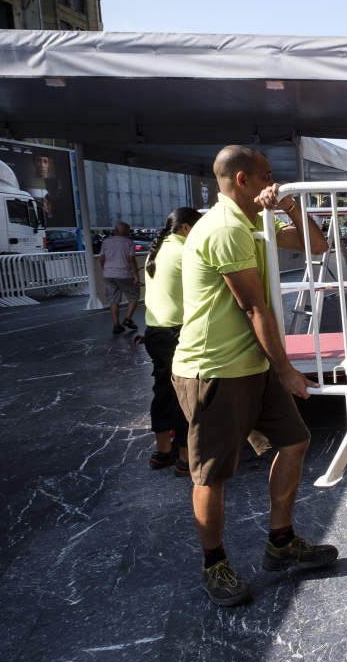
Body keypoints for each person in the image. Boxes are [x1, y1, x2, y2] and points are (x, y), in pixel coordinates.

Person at [171, 145, 334, 607]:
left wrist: (288, 207)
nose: (273, 181)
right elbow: (253, 305)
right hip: (214, 367)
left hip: (251, 363)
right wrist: (285, 370)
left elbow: (317, 246)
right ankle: (215, 564)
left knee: (295, 440)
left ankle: (280, 543)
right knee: (212, 474)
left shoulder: (253, 224)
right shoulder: (224, 229)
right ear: (242, 179)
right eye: (267, 175)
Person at [141, 207, 201, 474]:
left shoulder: (157, 251)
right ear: (186, 228)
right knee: (185, 394)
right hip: (176, 333)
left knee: (163, 391)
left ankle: (162, 451)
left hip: (154, 331)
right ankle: (186, 458)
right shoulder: (183, 252)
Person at [98, 221, 140, 334]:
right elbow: (131, 260)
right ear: (126, 232)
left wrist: (105, 269)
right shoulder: (129, 242)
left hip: (108, 274)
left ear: (116, 230)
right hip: (124, 274)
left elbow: (101, 258)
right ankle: (128, 319)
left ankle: (116, 325)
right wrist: (136, 276)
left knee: (113, 300)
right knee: (134, 296)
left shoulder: (106, 242)